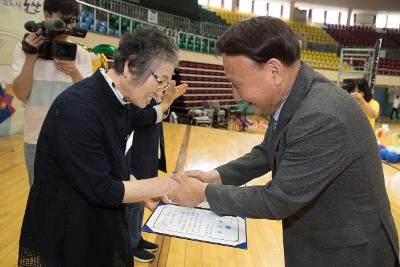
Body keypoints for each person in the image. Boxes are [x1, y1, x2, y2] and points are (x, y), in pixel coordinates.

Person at [169, 16, 400, 267]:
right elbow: (268, 151)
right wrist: (218, 176)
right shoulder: (297, 94)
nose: (236, 95)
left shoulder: (321, 116)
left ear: (274, 71)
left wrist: (205, 193)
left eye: (237, 85)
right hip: (320, 241)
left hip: (349, 254)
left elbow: (278, 199)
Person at [18, 28, 182, 267]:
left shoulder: (121, 103)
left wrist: (142, 190)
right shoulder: (79, 108)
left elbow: (111, 165)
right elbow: (101, 189)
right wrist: (166, 183)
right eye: (160, 81)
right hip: (68, 232)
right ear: (131, 66)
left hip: (96, 223)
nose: (161, 91)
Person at [12, 0, 93, 187]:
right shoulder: (23, 50)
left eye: (71, 20)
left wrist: (74, 72)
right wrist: (31, 56)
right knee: (39, 195)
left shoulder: (81, 54)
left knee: (73, 195)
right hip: (36, 138)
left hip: (72, 137)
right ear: (46, 15)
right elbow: (22, 94)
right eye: (61, 18)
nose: (67, 25)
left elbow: (89, 99)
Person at [126, 83, 187, 263]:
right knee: (133, 201)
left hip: (148, 152)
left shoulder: (151, 91)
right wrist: (166, 102)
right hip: (137, 153)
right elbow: (141, 117)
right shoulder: (135, 91)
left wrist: (165, 101)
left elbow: (157, 114)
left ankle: (136, 237)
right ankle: (130, 244)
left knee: (142, 200)